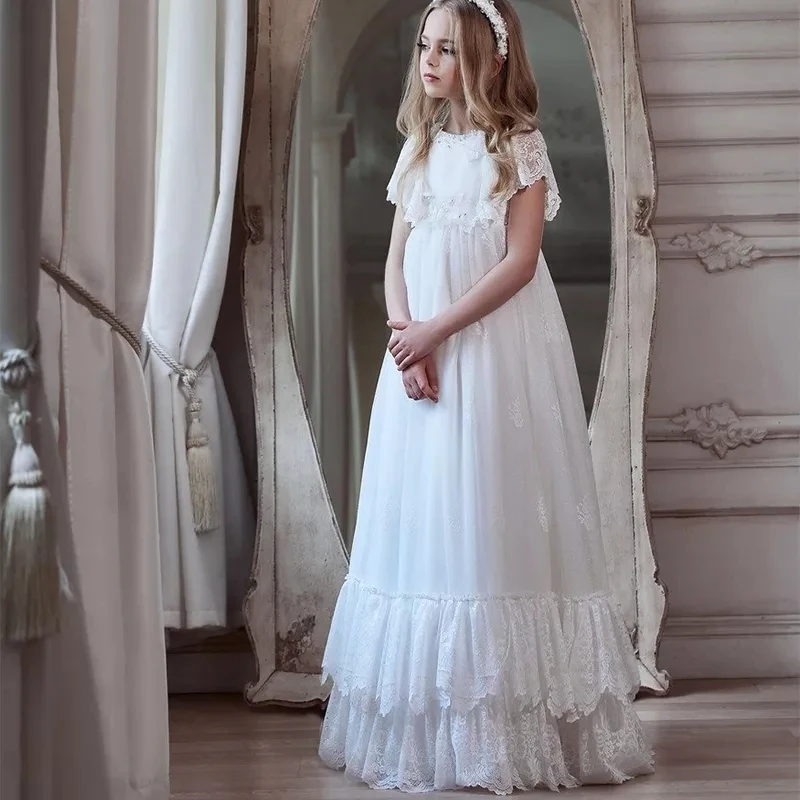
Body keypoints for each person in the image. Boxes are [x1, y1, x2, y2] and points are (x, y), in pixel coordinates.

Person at [317, 0, 655, 793]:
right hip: (420, 360)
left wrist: (436, 332)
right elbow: (395, 261)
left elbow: (518, 263)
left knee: (484, 513)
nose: (429, 61)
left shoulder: (519, 147)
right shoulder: (420, 147)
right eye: (424, 45)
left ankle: (505, 730)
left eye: (446, 48)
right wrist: (407, 339)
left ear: (487, 58)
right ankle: (428, 733)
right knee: (429, 520)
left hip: (493, 358)